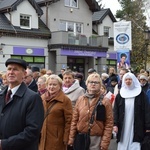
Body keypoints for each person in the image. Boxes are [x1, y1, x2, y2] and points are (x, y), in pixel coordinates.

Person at [0, 58, 44, 150]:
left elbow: (32, 131)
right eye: (9, 69)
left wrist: (4, 144)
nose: (11, 72)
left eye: (15, 69)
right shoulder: (1, 95)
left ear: (24, 74)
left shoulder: (33, 98)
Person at [68, 73, 113, 150]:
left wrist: (105, 143)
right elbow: (74, 120)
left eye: (96, 82)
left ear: (100, 85)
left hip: (96, 139)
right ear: (87, 84)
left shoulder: (105, 101)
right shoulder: (80, 99)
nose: (93, 84)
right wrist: (71, 138)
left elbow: (109, 124)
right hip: (80, 137)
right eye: (90, 82)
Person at [113, 72, 150, 150]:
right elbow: (116, 110)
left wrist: (148, 126)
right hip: (123, 124)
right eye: (126, 80)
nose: (128, 81)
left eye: (130, 79)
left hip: (137, 124)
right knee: (123, 142)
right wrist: (115, 124)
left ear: (134, 80)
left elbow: (147, 111)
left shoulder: (141, 94)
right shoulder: (120, 95)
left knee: (135, 144)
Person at [39, 74, 72, 150]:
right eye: (50, 84)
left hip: (57, 137)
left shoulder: (65, 100)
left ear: (60, 86)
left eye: (54, 84)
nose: (51, 87)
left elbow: (69, 121)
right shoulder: (42, 98)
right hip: (42, 136)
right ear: (46, 86)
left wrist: (66, 137)